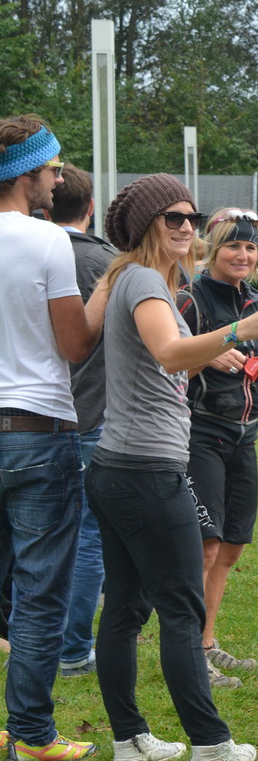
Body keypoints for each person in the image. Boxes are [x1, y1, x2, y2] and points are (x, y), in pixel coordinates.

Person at [88, 173, 258, 761]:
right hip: (148, 468)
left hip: (115, 465)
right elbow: (168, 353)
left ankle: (129, 742)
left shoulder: (124, 275)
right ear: (147, 224)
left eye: (190, 219)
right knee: (180, 609)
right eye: (171, 218)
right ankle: (211, 744)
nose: (185, 228)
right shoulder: (144, 279)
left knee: (123, 608)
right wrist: (238, 331)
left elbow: (81, 339)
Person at [0, 115, 105, 761]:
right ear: (27, 174)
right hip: (38, 429)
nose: (60, 179)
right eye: (54, 168)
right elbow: (75, 344)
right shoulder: (47, 243)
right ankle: (33, 734)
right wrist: (112, 294)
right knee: (40, 593)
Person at [177, 209, 258, 686]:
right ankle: (188, 656)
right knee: (204, 547)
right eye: (232, 246)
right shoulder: (188, 301)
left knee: (231, 548)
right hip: (199, 433)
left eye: (249, 248)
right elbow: (163, 367)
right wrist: (207, 352)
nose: (242, 255)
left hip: (242, 436)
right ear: (213, 250)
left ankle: (207, 641)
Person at [48, 163, 117, 681]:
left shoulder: (27, 252)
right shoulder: (107, 263)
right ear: (90, 208)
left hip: (32, 412)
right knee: (89, 532)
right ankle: (73, 647)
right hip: (93, 410)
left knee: (39, 531)